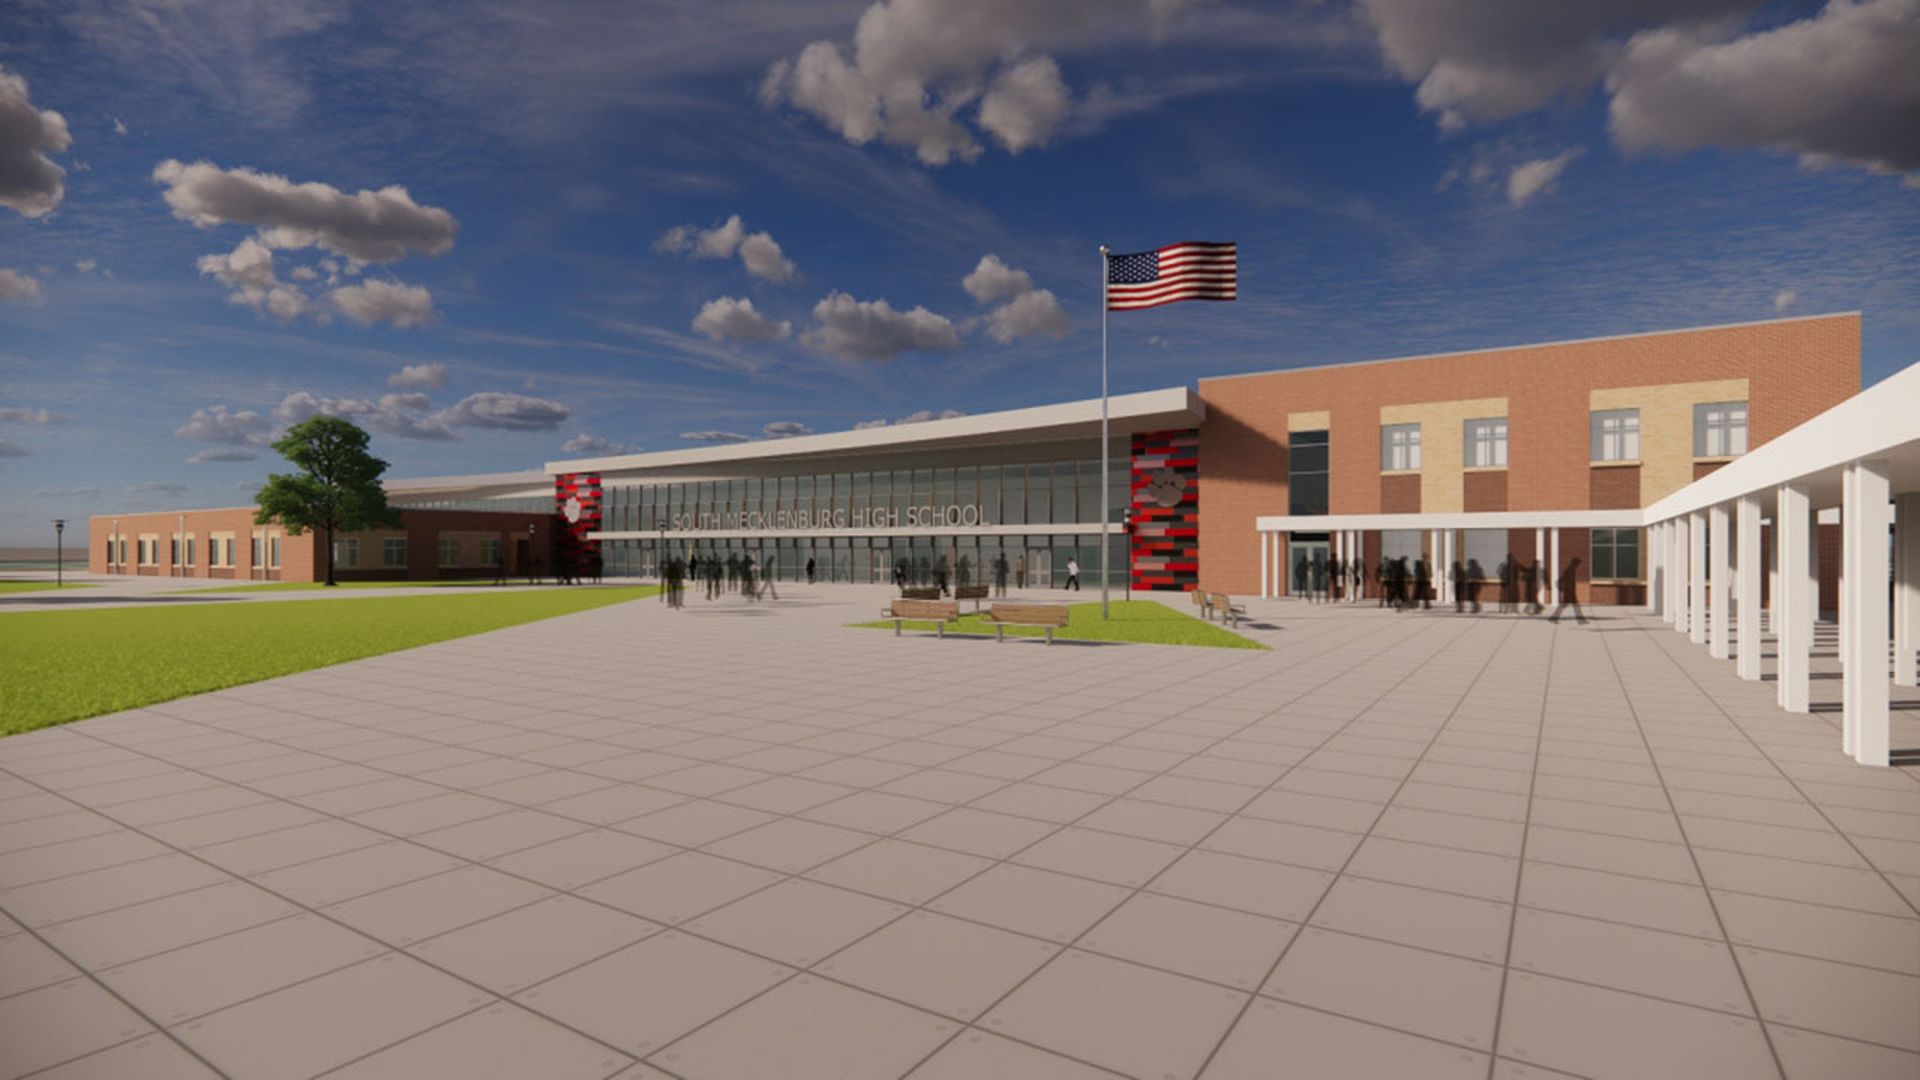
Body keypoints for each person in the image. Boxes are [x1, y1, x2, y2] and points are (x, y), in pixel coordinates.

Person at [1549, 558, 1588, 624]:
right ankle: (1553, 618)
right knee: (1564, 606)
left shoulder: (1570, 570)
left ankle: (1581, 620)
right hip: (1569, 592)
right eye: (1577, 564)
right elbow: (1568, 582)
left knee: (1575, 606)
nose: (1578, 565)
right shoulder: (1570, 570)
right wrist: (1565, 591)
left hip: (1571, 592)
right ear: (1574, 563)